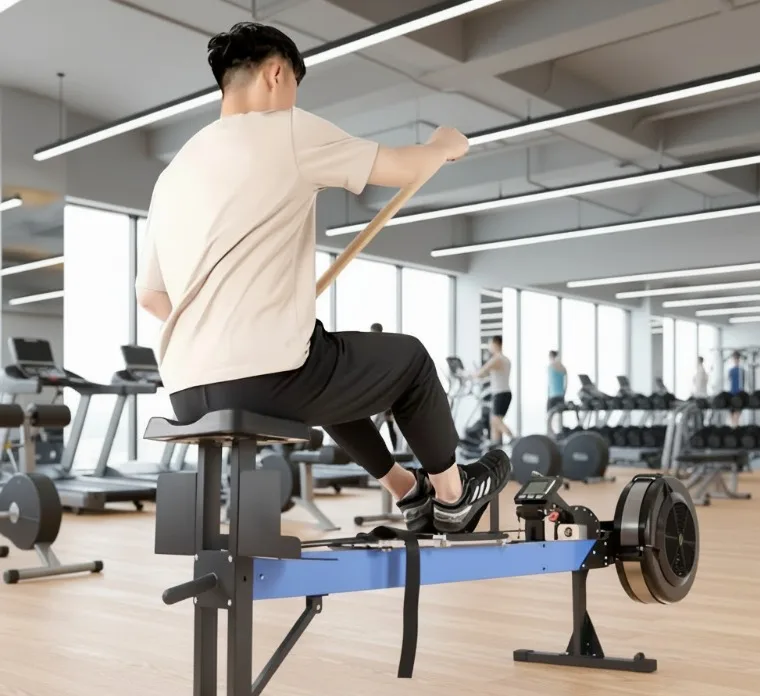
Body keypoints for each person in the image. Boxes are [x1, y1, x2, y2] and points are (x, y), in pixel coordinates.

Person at [135, 22, 510, 534]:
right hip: (265, 380)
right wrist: (442, 145)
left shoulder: (171, 174)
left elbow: (152, 297)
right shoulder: (284, 127)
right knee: (411, 361)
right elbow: (402, 168)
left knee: (322, 356)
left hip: (185, 389)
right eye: (294, 86)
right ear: (275, 73)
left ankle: (409, 490)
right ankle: (453, 494)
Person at [473, 336, 513, 445]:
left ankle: (514, 440)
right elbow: (494, 375)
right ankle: (497, 450)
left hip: (500, 394)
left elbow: (480, 373)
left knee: (495, 421)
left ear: (495, 344)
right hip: (504, 393)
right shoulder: (505, 359)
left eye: (490, 344)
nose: (489, 347)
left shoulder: (497, 359)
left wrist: (464, 374)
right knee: (495, 424)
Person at [370, 322, 398, 451]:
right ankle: (394, 449)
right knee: (387, 423)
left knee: (380, 424)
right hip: (384, 391)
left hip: (384, 392)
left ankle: (373, 451)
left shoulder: (381, 349)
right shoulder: (384, 347)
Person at [728, 351, 745, 427]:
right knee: (732, 415)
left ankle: (735, 427)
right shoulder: (731, 370)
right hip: (732, 393)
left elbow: (743, 383)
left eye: (737, 358)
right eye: (734, 358)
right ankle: (734, 427)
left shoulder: (742, 370)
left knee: (737, 415)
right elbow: (729, 381)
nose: (736, 360)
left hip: (739, 394)